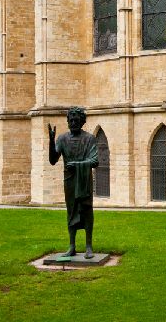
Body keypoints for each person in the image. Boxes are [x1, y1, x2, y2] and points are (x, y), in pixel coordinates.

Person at [48, 107, 99, 258]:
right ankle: (72, 246)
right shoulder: (62, 139)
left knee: (86, 210)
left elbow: (94, 160)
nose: (73, 123)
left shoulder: (90, 139)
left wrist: (77, 164)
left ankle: (88, 246)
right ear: (68, 122)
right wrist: (51, 141)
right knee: (71, 212)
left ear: (82, 122)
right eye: (71, 120)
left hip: (84, 181)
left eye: (77, 120)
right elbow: (52, 160)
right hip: (69, 181)